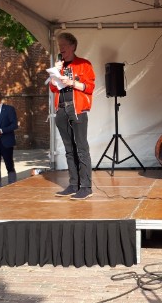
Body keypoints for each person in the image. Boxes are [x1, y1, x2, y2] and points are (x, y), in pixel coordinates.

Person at [50, 32, 96, 200]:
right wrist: (55, 70)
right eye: (59, 46)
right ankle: (73, 184)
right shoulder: (59, 67)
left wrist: (73, 83)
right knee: (69, 150)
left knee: (81, 148)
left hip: (77, 110)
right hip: (61, 109)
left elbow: (90, 87)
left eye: (63, 45)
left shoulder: (84, 64)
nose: (61, 49)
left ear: (72, 46)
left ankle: (86, 187)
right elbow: (53, 89)